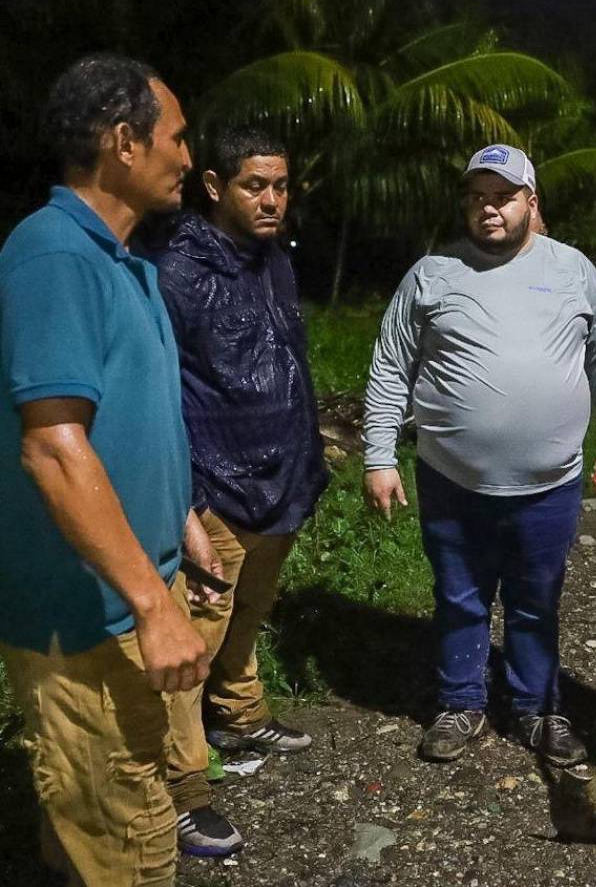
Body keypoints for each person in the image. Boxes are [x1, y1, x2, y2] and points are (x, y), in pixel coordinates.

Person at [0, 53, 211, 887]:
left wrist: (181, 520)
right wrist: (152, 604)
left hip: (130, 591)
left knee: (100, 818)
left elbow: (131, 416)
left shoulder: (125, 264)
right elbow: (53, 446)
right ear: (124, 142)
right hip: (89, 616)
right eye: (177, 138)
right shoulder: (54, 256)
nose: (188, 159)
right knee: (132, 841)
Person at [362, 144, 596, 767]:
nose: (489, 209)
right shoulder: (432, 274)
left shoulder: (573, 271)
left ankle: (539, 708)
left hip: (551, 484)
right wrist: (379, 455)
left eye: (504, 196)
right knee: (459, 596)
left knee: (536, 599)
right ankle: (461, 702)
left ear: (530, 203)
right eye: (478, 196)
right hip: (451, 479)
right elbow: (389, 369)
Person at [151, 125, 329, 855]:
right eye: (256, 184)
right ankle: (183, 787)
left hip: (281, 478)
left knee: (251, 610)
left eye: (281, 186)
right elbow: (159, 391)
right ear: (215, 186)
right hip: (217, 488)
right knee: (193, 641)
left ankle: (241, 710)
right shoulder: (176, 270)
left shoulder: (274, 260)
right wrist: (188, 499)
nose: (272, 199)